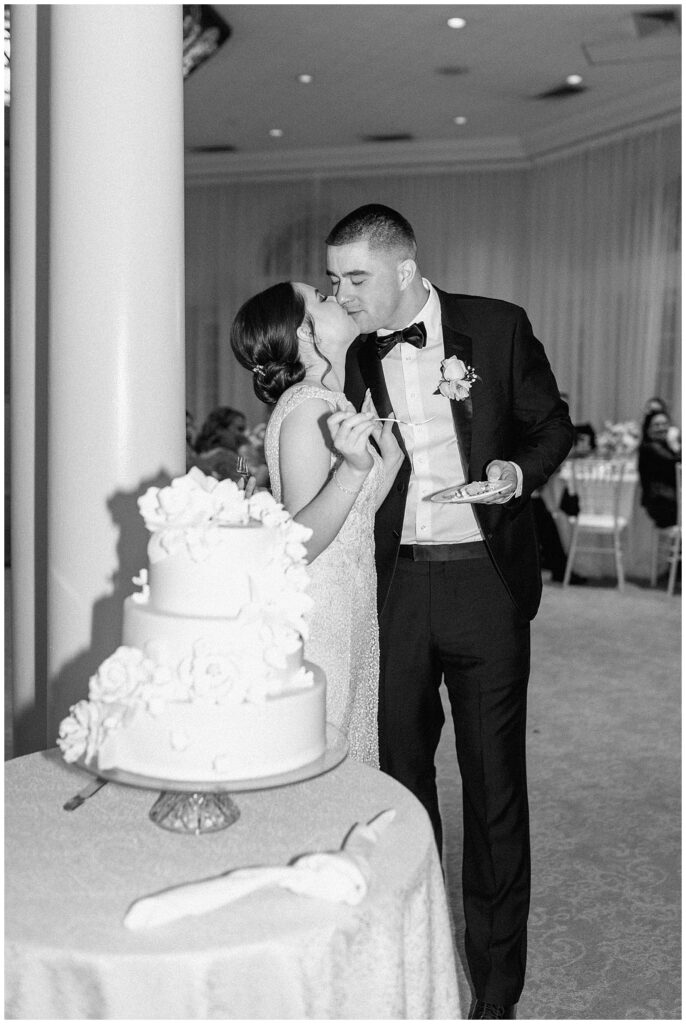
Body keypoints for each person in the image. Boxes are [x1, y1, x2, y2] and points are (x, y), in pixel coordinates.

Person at [326, 204, 573, 1020]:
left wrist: (516, 473)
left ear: (404, 269)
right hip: (396, 588)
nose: (344, 292)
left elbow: (552, 423)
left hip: (483, 585)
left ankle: (494, 994)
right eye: (335, 279)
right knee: (400, 782)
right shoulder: (354, 358)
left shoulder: (497, 328)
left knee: (495, 788)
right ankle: (417, 966)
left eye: (355, 277)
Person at [230, 281, 403, 765]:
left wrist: (383, 467)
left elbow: (348, 521)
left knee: (339, 742)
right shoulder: (309, 407)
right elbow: (298, 545)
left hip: (347, 596)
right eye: (322, 299)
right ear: (305, 331)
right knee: (320, 753)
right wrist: (354, 469)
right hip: (319, 609)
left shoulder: (329, 401)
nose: (337, 299)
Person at [638, 409, 681, 528]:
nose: (662, 428)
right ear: (648, 429)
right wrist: (675, 445)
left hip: (672, 501)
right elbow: (676, 463)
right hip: (662, 503)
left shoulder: (664, 446)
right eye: (657, 425)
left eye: (664, 424)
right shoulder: (649, 448)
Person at [193, 405, 248, 481]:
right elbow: (247, 483)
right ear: (220, 429)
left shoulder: (199, 453)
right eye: (239, 429)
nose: (243, 435)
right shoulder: (226, 456)